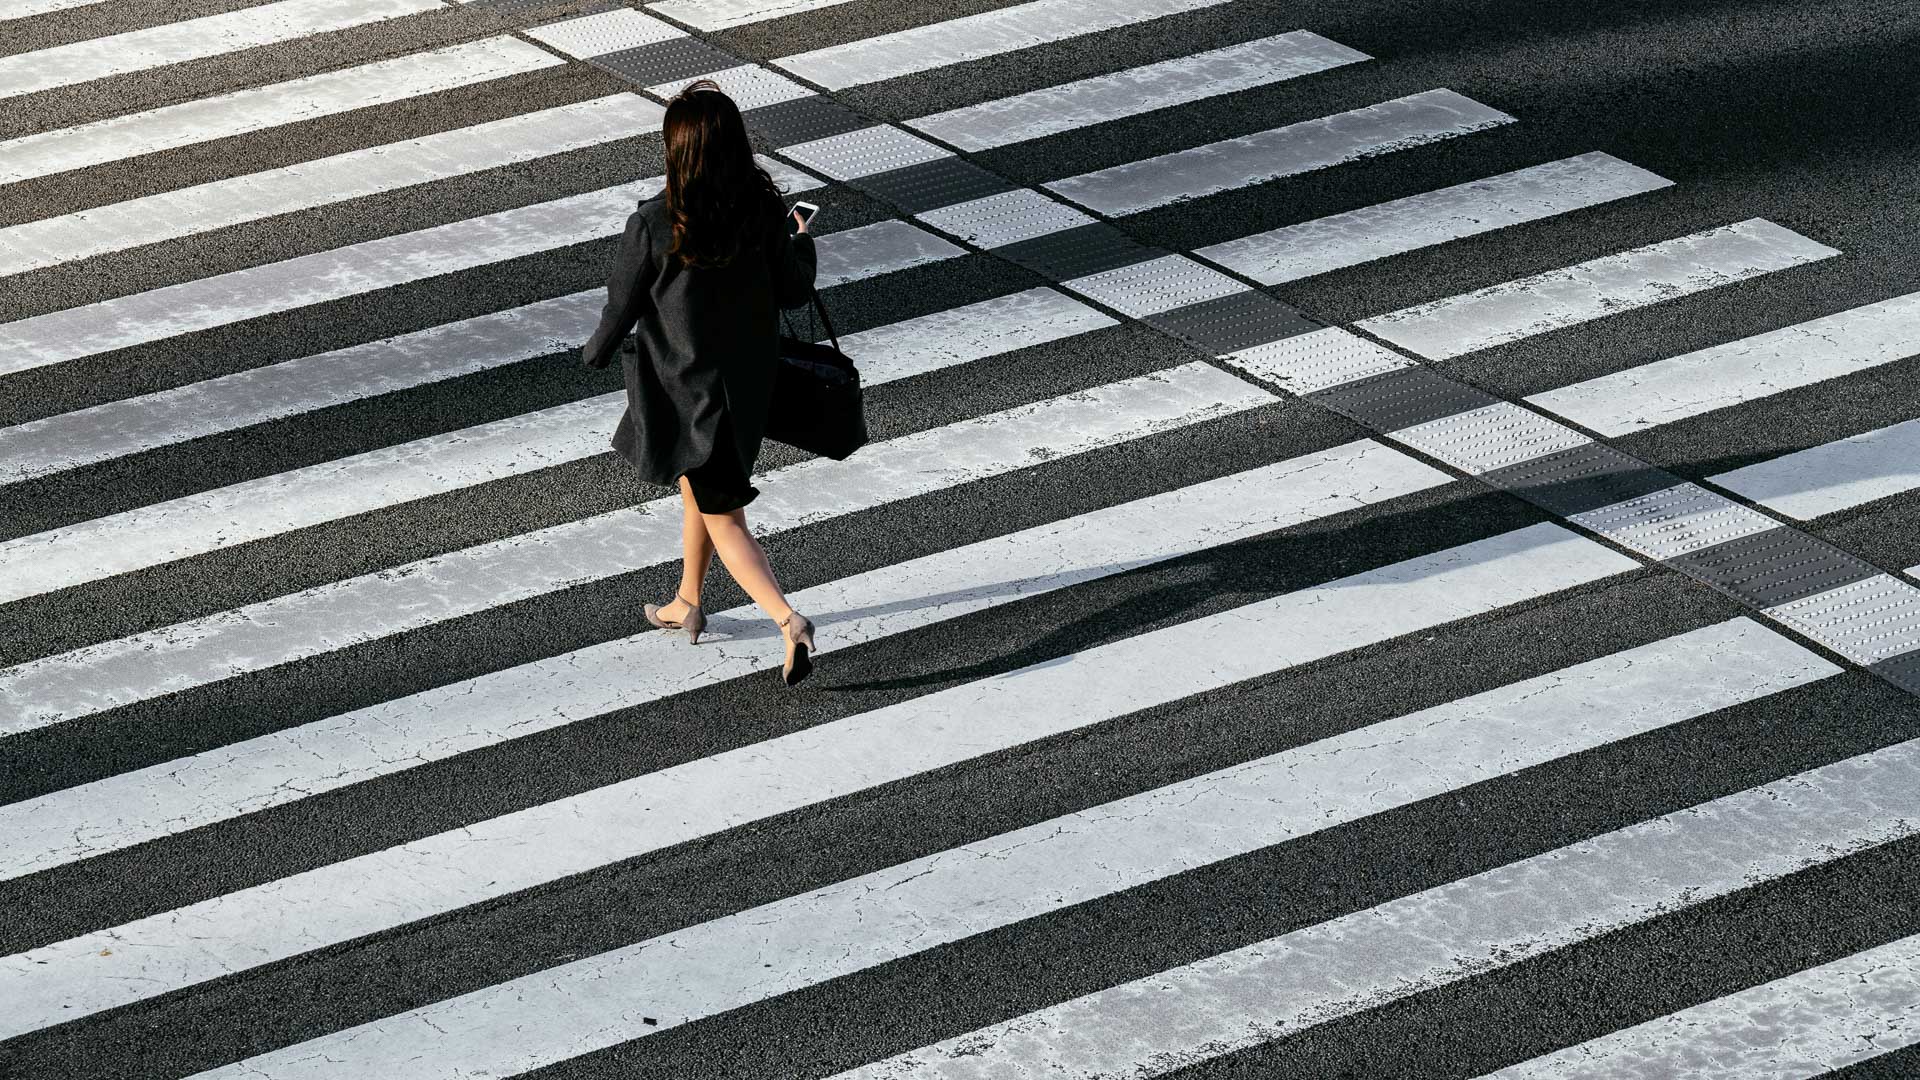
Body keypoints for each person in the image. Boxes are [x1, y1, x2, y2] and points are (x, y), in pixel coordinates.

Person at [581, 78, 820, 687]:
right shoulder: (762, 214)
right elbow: (795, 291)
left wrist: (596, 353)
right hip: (746, 388)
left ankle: (787, 621)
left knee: (725, 517)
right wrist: (802, 239)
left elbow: (622, 304)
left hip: (685, 394)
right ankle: (687, 602)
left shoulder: (656, 224)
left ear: (677, 152)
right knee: (702, 490)